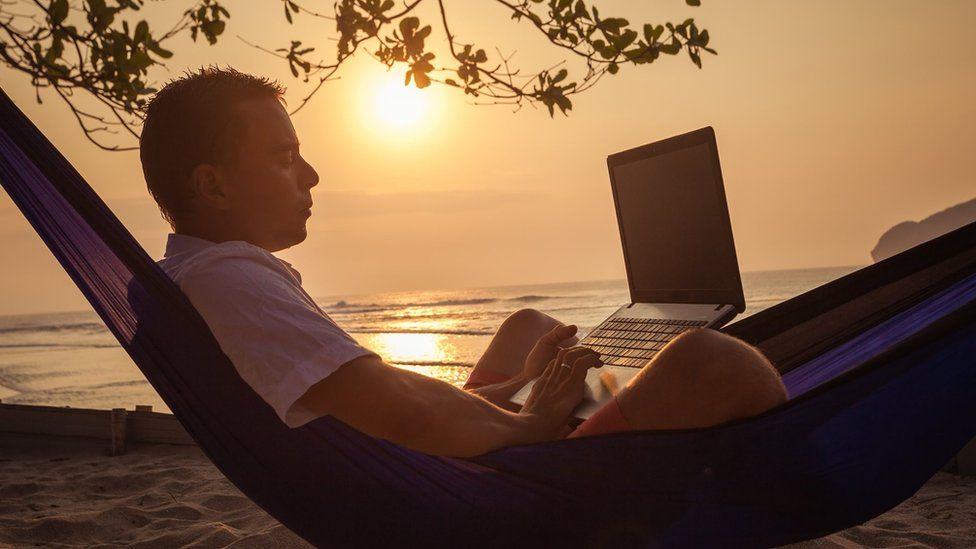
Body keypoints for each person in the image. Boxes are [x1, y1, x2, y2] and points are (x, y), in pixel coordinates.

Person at [144, 67, 787, 458]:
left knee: (530, 328)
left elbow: (364, 400)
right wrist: (533, 421)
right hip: (474, 493)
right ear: (214, 187)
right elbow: (402, 411)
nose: (311, 174)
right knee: (715, 361)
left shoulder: (194, 276)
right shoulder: (228, 280)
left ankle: (578, 391)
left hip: (426, 460)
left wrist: (513, 395)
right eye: (285, 160)